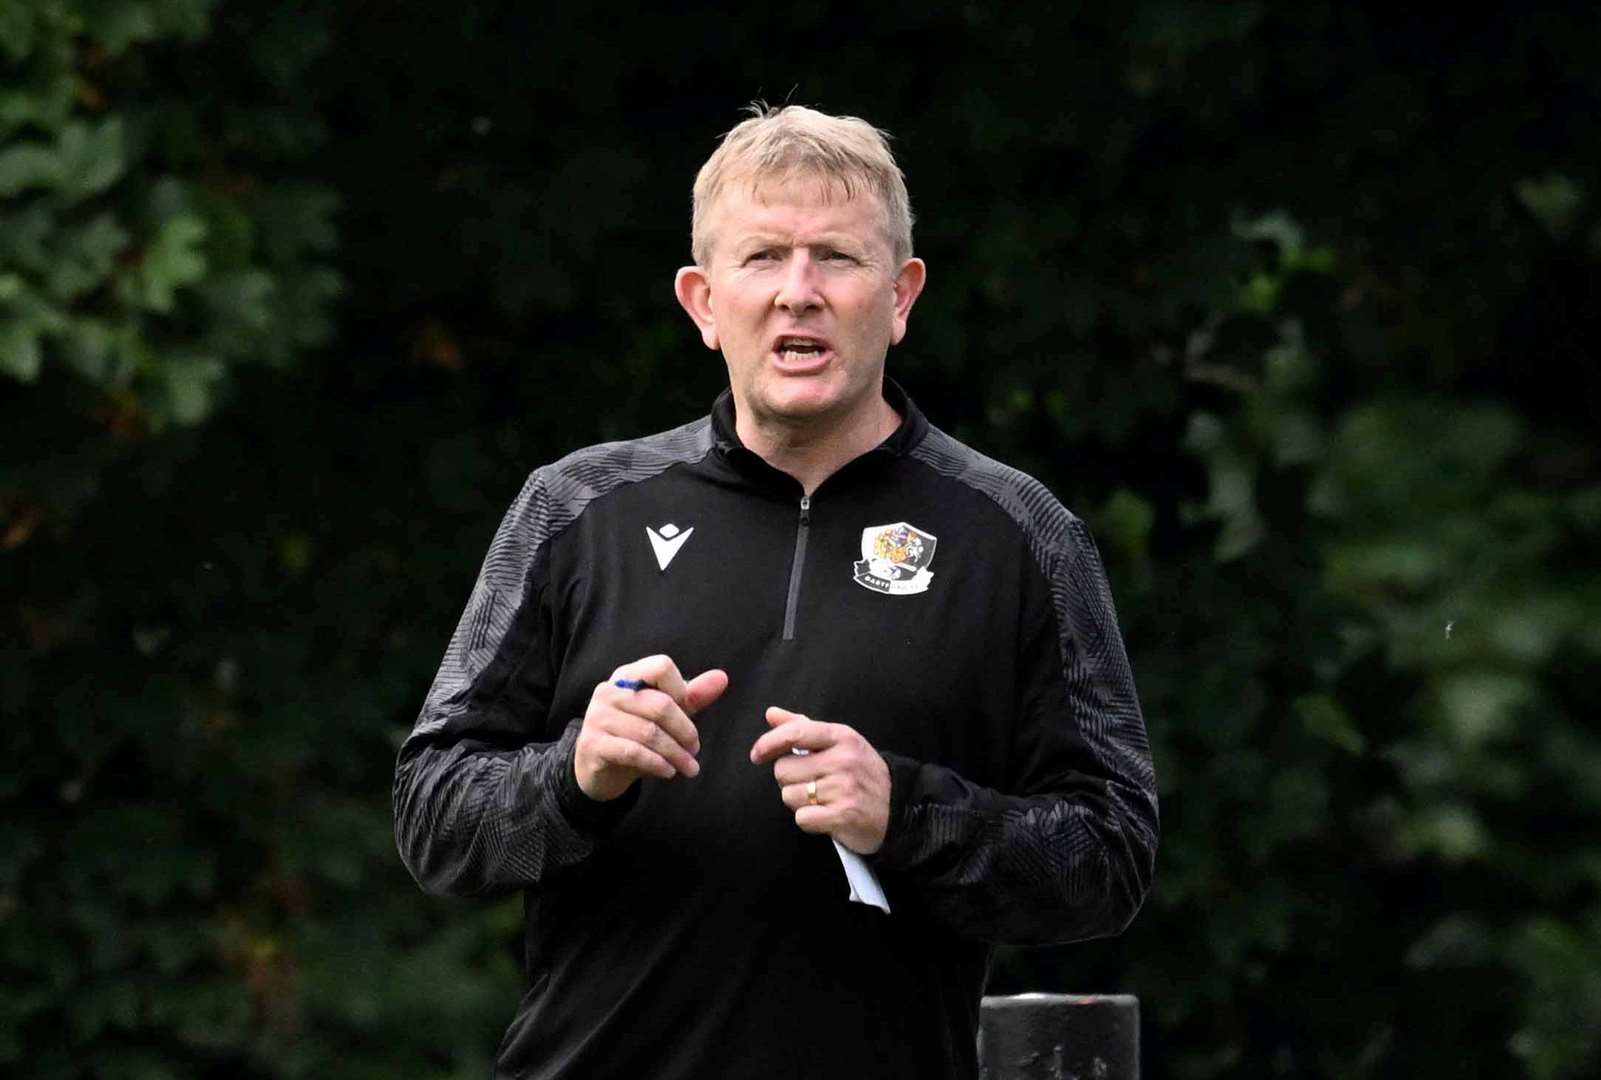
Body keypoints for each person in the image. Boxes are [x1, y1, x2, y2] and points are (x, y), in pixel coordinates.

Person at [393, 104, 1158, 1080]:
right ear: (703, 301)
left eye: (835, 257)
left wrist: (909, 816)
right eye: (762, 258)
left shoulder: (1018, 534)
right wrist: (575, 776)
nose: (797, 294)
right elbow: (430, 818)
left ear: (900, 295)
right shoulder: (575, 509)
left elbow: (1111, 857)